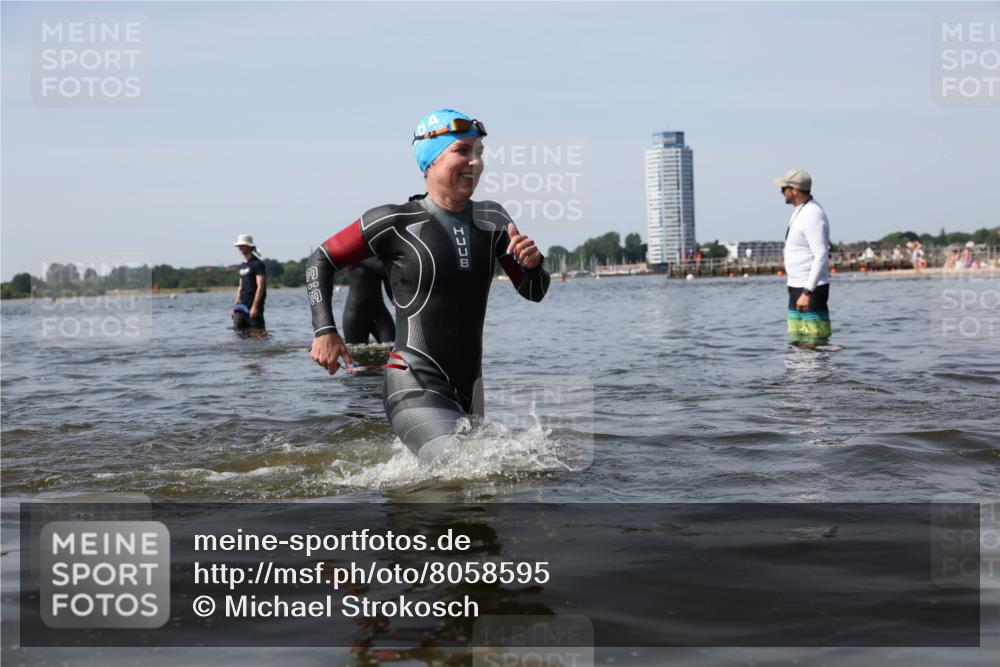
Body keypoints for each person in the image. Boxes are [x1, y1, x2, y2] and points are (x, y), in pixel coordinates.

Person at [307, 109, 550, 463]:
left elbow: (534, 291)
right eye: (462, 150)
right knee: (463, 466)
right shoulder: (394, 221)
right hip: (412, 383)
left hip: (470, 391)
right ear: (430, 161)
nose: (475, 162)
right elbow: (321, 259)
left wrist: (534, 265)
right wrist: (325, 330)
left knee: (483, 479)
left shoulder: (493, 220)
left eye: (479, 152)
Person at [773, 169, 831, 346]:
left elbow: (821, 255)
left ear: (795, 190)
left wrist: (807, 292)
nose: (781, 191)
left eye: (784, 188)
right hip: (796, 286)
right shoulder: (800, 211)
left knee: (813, 341)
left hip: (809, 289)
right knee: (798, 342)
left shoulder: (813, 214)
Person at [342, 257, 395, 344]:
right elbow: (383, 267)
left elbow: (388, 279)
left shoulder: (381, 255)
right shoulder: (355, 252)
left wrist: (397, 304)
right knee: (357, 352)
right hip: (356, 314)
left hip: (379, 312)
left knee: (393, 348)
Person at [232, 234, 267, 330]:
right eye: (239, 246)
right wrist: (235, 306)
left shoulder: (257, 264)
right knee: (238, 335)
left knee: (258, 334)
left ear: (249, 246)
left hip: (254, 308)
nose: (240, 248)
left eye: (242, 245)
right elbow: (240, 287)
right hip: (241, 308)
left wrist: (255, 307)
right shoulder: (242, 266)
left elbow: (260, 286)